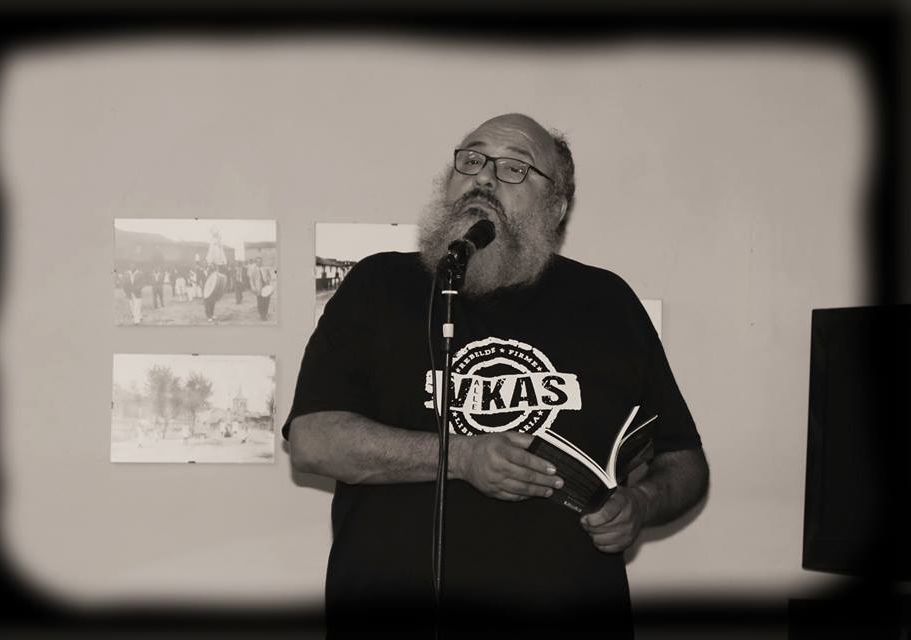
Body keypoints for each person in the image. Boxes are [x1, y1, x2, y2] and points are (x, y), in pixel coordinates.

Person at [285, 114, 710, 638]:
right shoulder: (378, 285)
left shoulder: (608, 303)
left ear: (556, 207)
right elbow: (312, 442)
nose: (484, 176)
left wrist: (641, 504)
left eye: (515, 168)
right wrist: (461, 457)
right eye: (472, 159)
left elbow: (683, 460)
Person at [249, 256, 274, 321]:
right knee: (260, 302)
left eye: (260, 261)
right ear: (256, 262)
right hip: (258, 288)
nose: (259, 263)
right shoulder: (253, 270)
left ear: (261, 262)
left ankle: (265, 314)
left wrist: (268, 281)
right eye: (258, 261)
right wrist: (253, 288)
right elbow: (251, 280)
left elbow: (269, 276)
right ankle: (262, 315)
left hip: (266, 287)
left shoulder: (265, 268)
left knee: (267, 301)